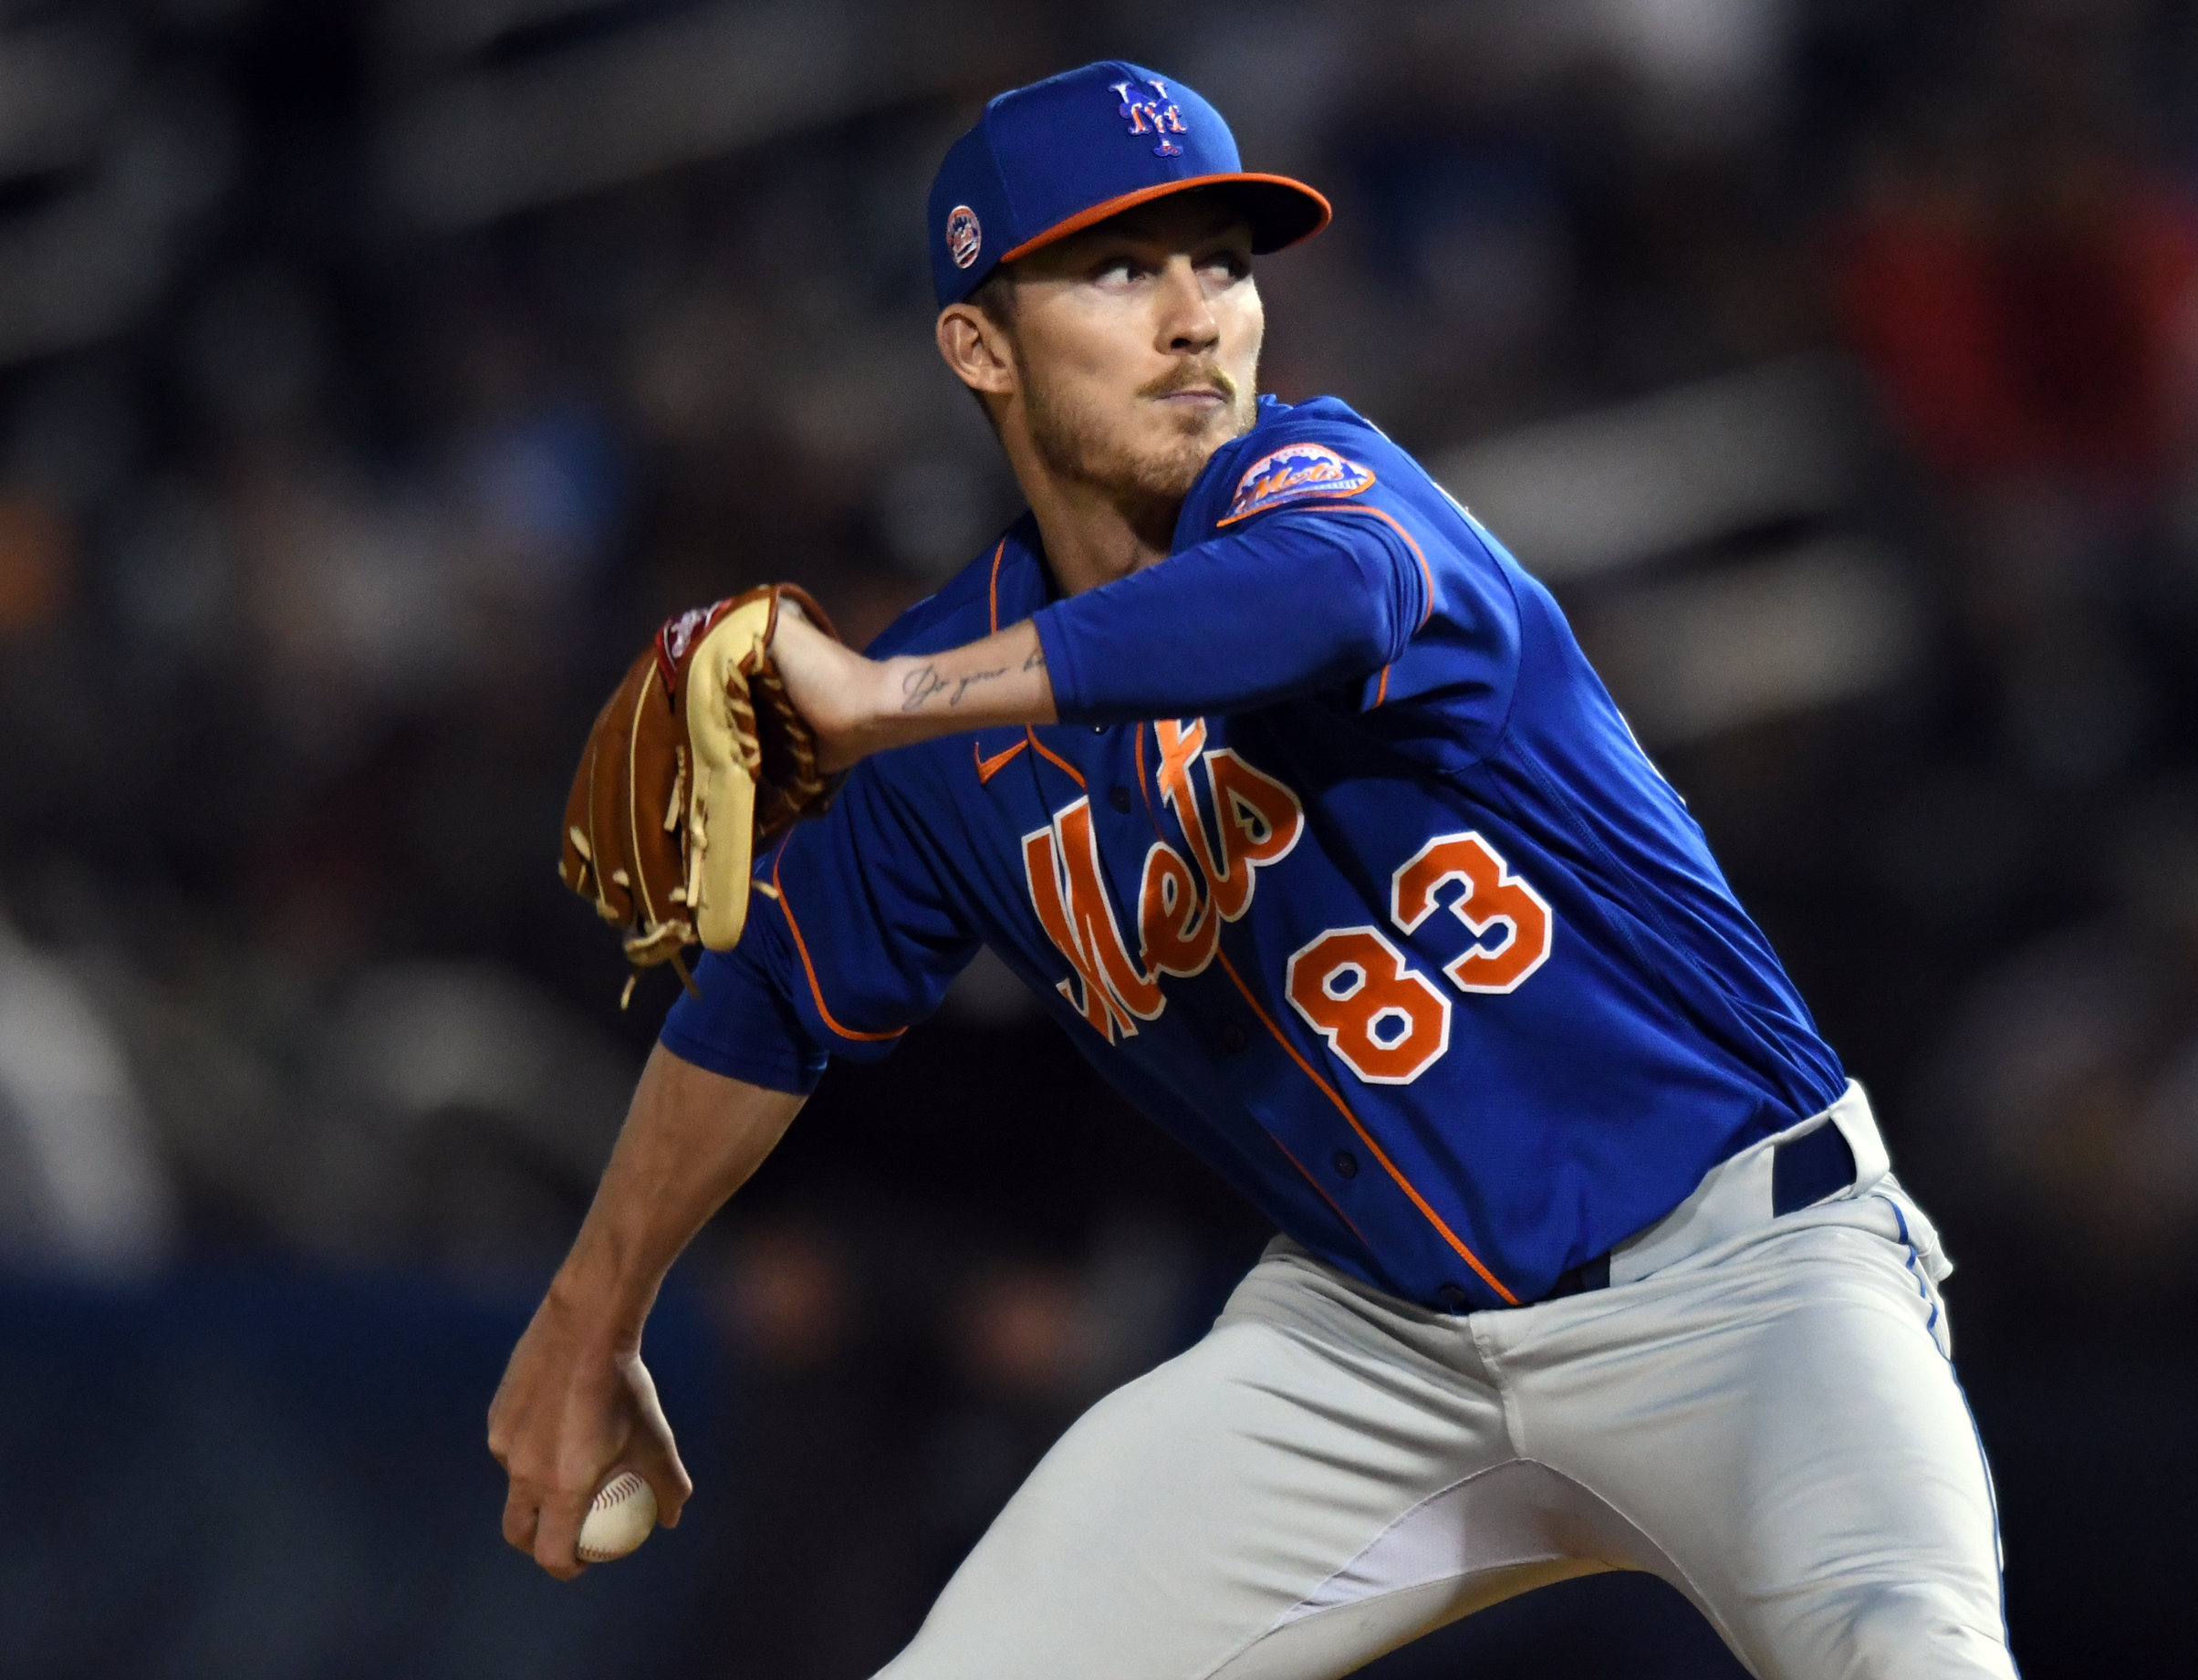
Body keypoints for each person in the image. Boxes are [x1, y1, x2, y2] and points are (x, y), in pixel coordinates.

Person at [489, 60, 2016, 1680]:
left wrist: (878, 696)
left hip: (1742, 1277)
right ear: (978, 345)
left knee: (1905, 1655)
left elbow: (1325, 598)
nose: (1194, 314)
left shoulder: (1326, 489)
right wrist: (595, 1311)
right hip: (1373, 1349)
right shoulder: (951, 727)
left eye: (1221, 259)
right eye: (1116, 267)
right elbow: (765, 1008)